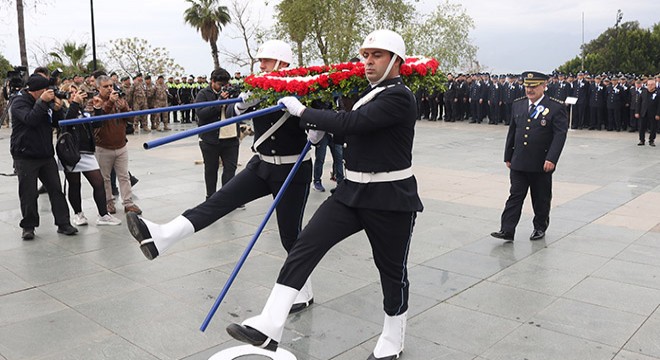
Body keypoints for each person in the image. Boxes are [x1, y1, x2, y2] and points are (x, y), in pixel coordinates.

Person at [226, 29, 423, 360]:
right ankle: (270, 324)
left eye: (377, 55)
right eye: (366, 55)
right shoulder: (369, 92)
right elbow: (347, 125)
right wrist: (320, 127)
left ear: (396, 61)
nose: (369, 61)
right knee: (305, 245)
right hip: (351, 191)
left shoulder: (399, 96)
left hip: (390, 197)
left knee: (391, 271)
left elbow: (354, 123)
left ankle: (393, 336)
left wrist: (303, 112)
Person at [126, 39, 319, 313]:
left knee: (290, 235)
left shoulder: (306, 89)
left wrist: (310, 120)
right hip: (261, 164)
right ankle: (163, 236)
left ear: (282, 63)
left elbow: (320, 128)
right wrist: (241, 105)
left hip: (293, 168)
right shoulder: (258, 87)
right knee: (216, 202)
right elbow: (231, 112)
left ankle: (304, 289)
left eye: (265, 60)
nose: (260, 64)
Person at [491, 71, 568, 242]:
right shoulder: (518, 104)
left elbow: (560, 135)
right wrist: (508, 155)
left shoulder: (555, 107)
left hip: (541, 162)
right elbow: (513, 131)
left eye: (533, 86)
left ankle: (540, 227)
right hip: (519, 160)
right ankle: (507, 229)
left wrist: (552, 159)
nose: (529, 90)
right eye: (527, 86)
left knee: (541, 197)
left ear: (544, 86)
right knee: (515, 195)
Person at [10, 74, 78, 240]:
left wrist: (56, 110)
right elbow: (30, 119)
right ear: (38, 91)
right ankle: (28, 226)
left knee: (56, 189)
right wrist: (41, 102)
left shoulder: (46, 102)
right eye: (46, 90)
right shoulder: (19, 102)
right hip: (25, 155)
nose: (50, 93)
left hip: (45, 154)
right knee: (28, 193)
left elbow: (58, 123)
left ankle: (63, 223)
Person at [59, 85, 122, 226]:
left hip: (86, 152)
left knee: (98, 182)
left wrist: (98, 109)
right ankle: (78, 214)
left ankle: (103, 215)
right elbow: (67, 123)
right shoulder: (62, 108)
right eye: (73, 92)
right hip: (70, 152)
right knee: (74, 184)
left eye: (78, 92)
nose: (77, 95)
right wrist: (74, 103)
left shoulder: (83, 110)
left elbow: (97, 124)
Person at [93, 75, 142, 215]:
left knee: (124, 176)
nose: (109, 89)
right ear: (98, 88)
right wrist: (109, 103)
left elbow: (131, 119)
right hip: (103, 147)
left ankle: (128, 203)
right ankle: (108, 203)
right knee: (105, 178)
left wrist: (125, 108)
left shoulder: (120, 99)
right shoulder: (94, 101)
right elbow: (98, 121)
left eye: (111, 86)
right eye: (105, 86)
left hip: (121, 145)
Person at [195, 67, 241, 199]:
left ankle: (226, 197)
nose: (223, 88)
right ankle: (211, 197)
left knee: (230, 169)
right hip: (210, 139)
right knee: (211, 169)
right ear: (213, 81)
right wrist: (219, 101)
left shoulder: (230, 92)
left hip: (231, 137)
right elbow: (201, 114)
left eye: (225, 85)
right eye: (220, 85)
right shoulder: (203, 94)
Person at [635, 79, 660, 146]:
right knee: (641, 127)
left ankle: (651, 140)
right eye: (648, 85)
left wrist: (658, 114)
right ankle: (641, 140)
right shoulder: (643, 92)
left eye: (652, 85)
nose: (650, 86)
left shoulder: (658, 93)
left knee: (653, 127)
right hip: (643, 112)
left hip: (653, 113)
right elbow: (638, 103)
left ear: (654, 85)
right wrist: (637, 112)